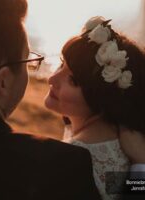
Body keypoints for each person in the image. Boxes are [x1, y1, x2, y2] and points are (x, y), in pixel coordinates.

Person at [0, 1, 101, 199]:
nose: (51, 79)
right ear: (2, 82)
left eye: (72, 78)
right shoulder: (59, 167)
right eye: (27, 61)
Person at [45, 16, 145, 199]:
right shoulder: (118, 147)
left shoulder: (74, 157)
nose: (51, 79)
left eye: (72, 81)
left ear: (101, 99)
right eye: (61, 64)